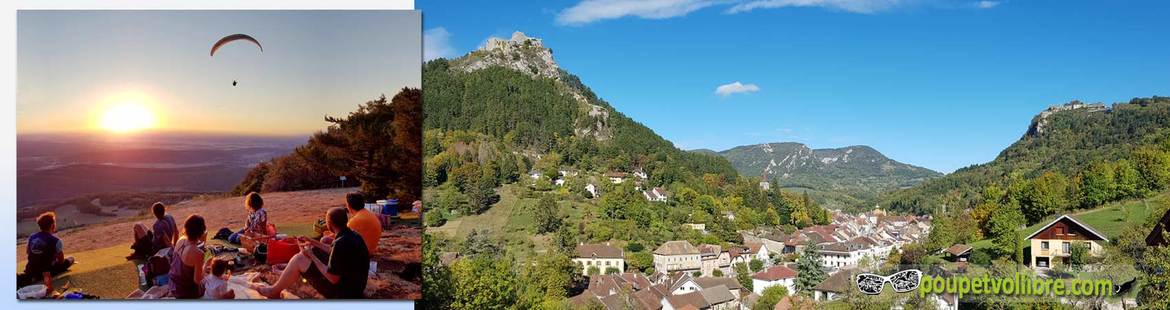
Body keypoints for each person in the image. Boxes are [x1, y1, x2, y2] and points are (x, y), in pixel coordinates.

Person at [258, 207, 368, 299]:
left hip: (344, 294)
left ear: (330, 223)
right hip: (355, 286)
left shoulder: (340, 243)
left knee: (299, 259)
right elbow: (331, 250)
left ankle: (273, 291)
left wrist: (312, 256)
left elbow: (333, 278)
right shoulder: (352, 235)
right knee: (312, 251)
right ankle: (288, 272)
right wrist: (311, 241)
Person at [19, 212, 75, 291]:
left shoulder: (32, 237)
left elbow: (28, 252)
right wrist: (53, 259)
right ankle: (37, 277)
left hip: (30, 270)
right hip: (47, 272)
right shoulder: (56, 241)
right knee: (71, 259)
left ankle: (33, 277)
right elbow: (61, 261)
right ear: (52, 225)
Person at [169, 214, 212, 299]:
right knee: (212, 281)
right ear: (201, 232)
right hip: (186, 292)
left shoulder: (181, 240)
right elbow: (197, 280)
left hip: (173, 284)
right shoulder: (198, 253)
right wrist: (206, 264)